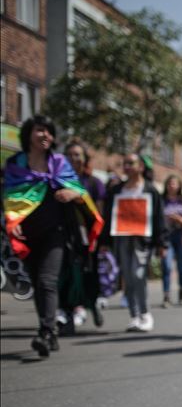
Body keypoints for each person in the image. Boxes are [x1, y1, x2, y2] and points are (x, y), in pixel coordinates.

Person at [2, 116, 103, 357]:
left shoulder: (59, 163)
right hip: (27, 234)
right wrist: (10, 220)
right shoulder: (16, 164)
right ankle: (50, 332)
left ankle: (46, 332)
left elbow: (79, 192)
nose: (45, 135)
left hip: (55, 232)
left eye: (48, 131)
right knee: (38, 283)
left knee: (48, 281)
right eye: (40, 130)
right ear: (28, 134)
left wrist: (72, 193)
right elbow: (9, 197)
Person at [101, 153, 166, 333]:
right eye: (125, 164)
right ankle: (134, 316)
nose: (127, 166)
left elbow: (159, 218)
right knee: (127, 279)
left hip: (142, 241)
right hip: (121, 239)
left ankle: (145, 314)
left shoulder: (150, 190)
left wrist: (162, 243)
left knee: (138, 276)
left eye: (131, 163)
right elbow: (108, 217)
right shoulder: (117, 191)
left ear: (141, 167)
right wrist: (104, 241)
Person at [60, 139, 106, 331]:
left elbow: (99, 214)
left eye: (77, 154)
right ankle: (68, 311)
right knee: (67, 273)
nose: (73, 158)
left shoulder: (94, 183)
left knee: (87, 274)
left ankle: (91, 304)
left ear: (84, 158)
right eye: (69, 155)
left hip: (88, 237)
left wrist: (101, 241)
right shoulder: (58, 180)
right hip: (63, 235)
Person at [161, 174, 182, 308]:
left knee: (181, 267)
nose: (172, 185)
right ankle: (166, 295)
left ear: (179, 186)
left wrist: (179, 219)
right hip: (166, 238)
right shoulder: (161, 201)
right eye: (169, 183)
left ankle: (181, 289)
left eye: (174, 183)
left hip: (180, 236)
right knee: (166, 266)